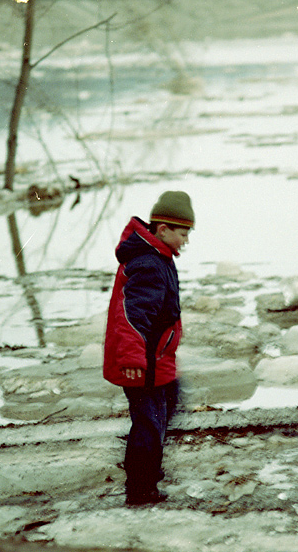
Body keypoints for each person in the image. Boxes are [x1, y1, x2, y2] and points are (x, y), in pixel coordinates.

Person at [103, 190, 194, 506]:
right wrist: (132, 358)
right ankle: (141, 490)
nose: (186, 240)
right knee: (149, 424)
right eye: (183, 233)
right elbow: (132, 314)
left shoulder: (160, 257)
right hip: (142, 362)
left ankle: (146, 471)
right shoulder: (149, 263)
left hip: (157, 358)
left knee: (168, 404)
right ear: (163, 229)